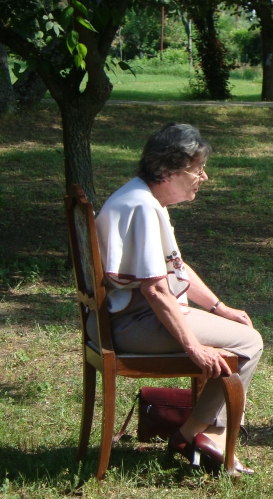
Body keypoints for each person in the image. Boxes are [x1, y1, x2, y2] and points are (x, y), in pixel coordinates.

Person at [92, 122, 263, 474]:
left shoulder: (141, 197)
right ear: (169, 171)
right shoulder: (142, 207)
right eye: (198, 169)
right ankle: (200, 435)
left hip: (123, 319)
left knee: (238, 333)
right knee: (249, 343)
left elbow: (176, 269)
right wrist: (193, 348)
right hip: (130, 325)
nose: (205, 177)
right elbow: (154, 289)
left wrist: (219, 307)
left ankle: (199, 433)